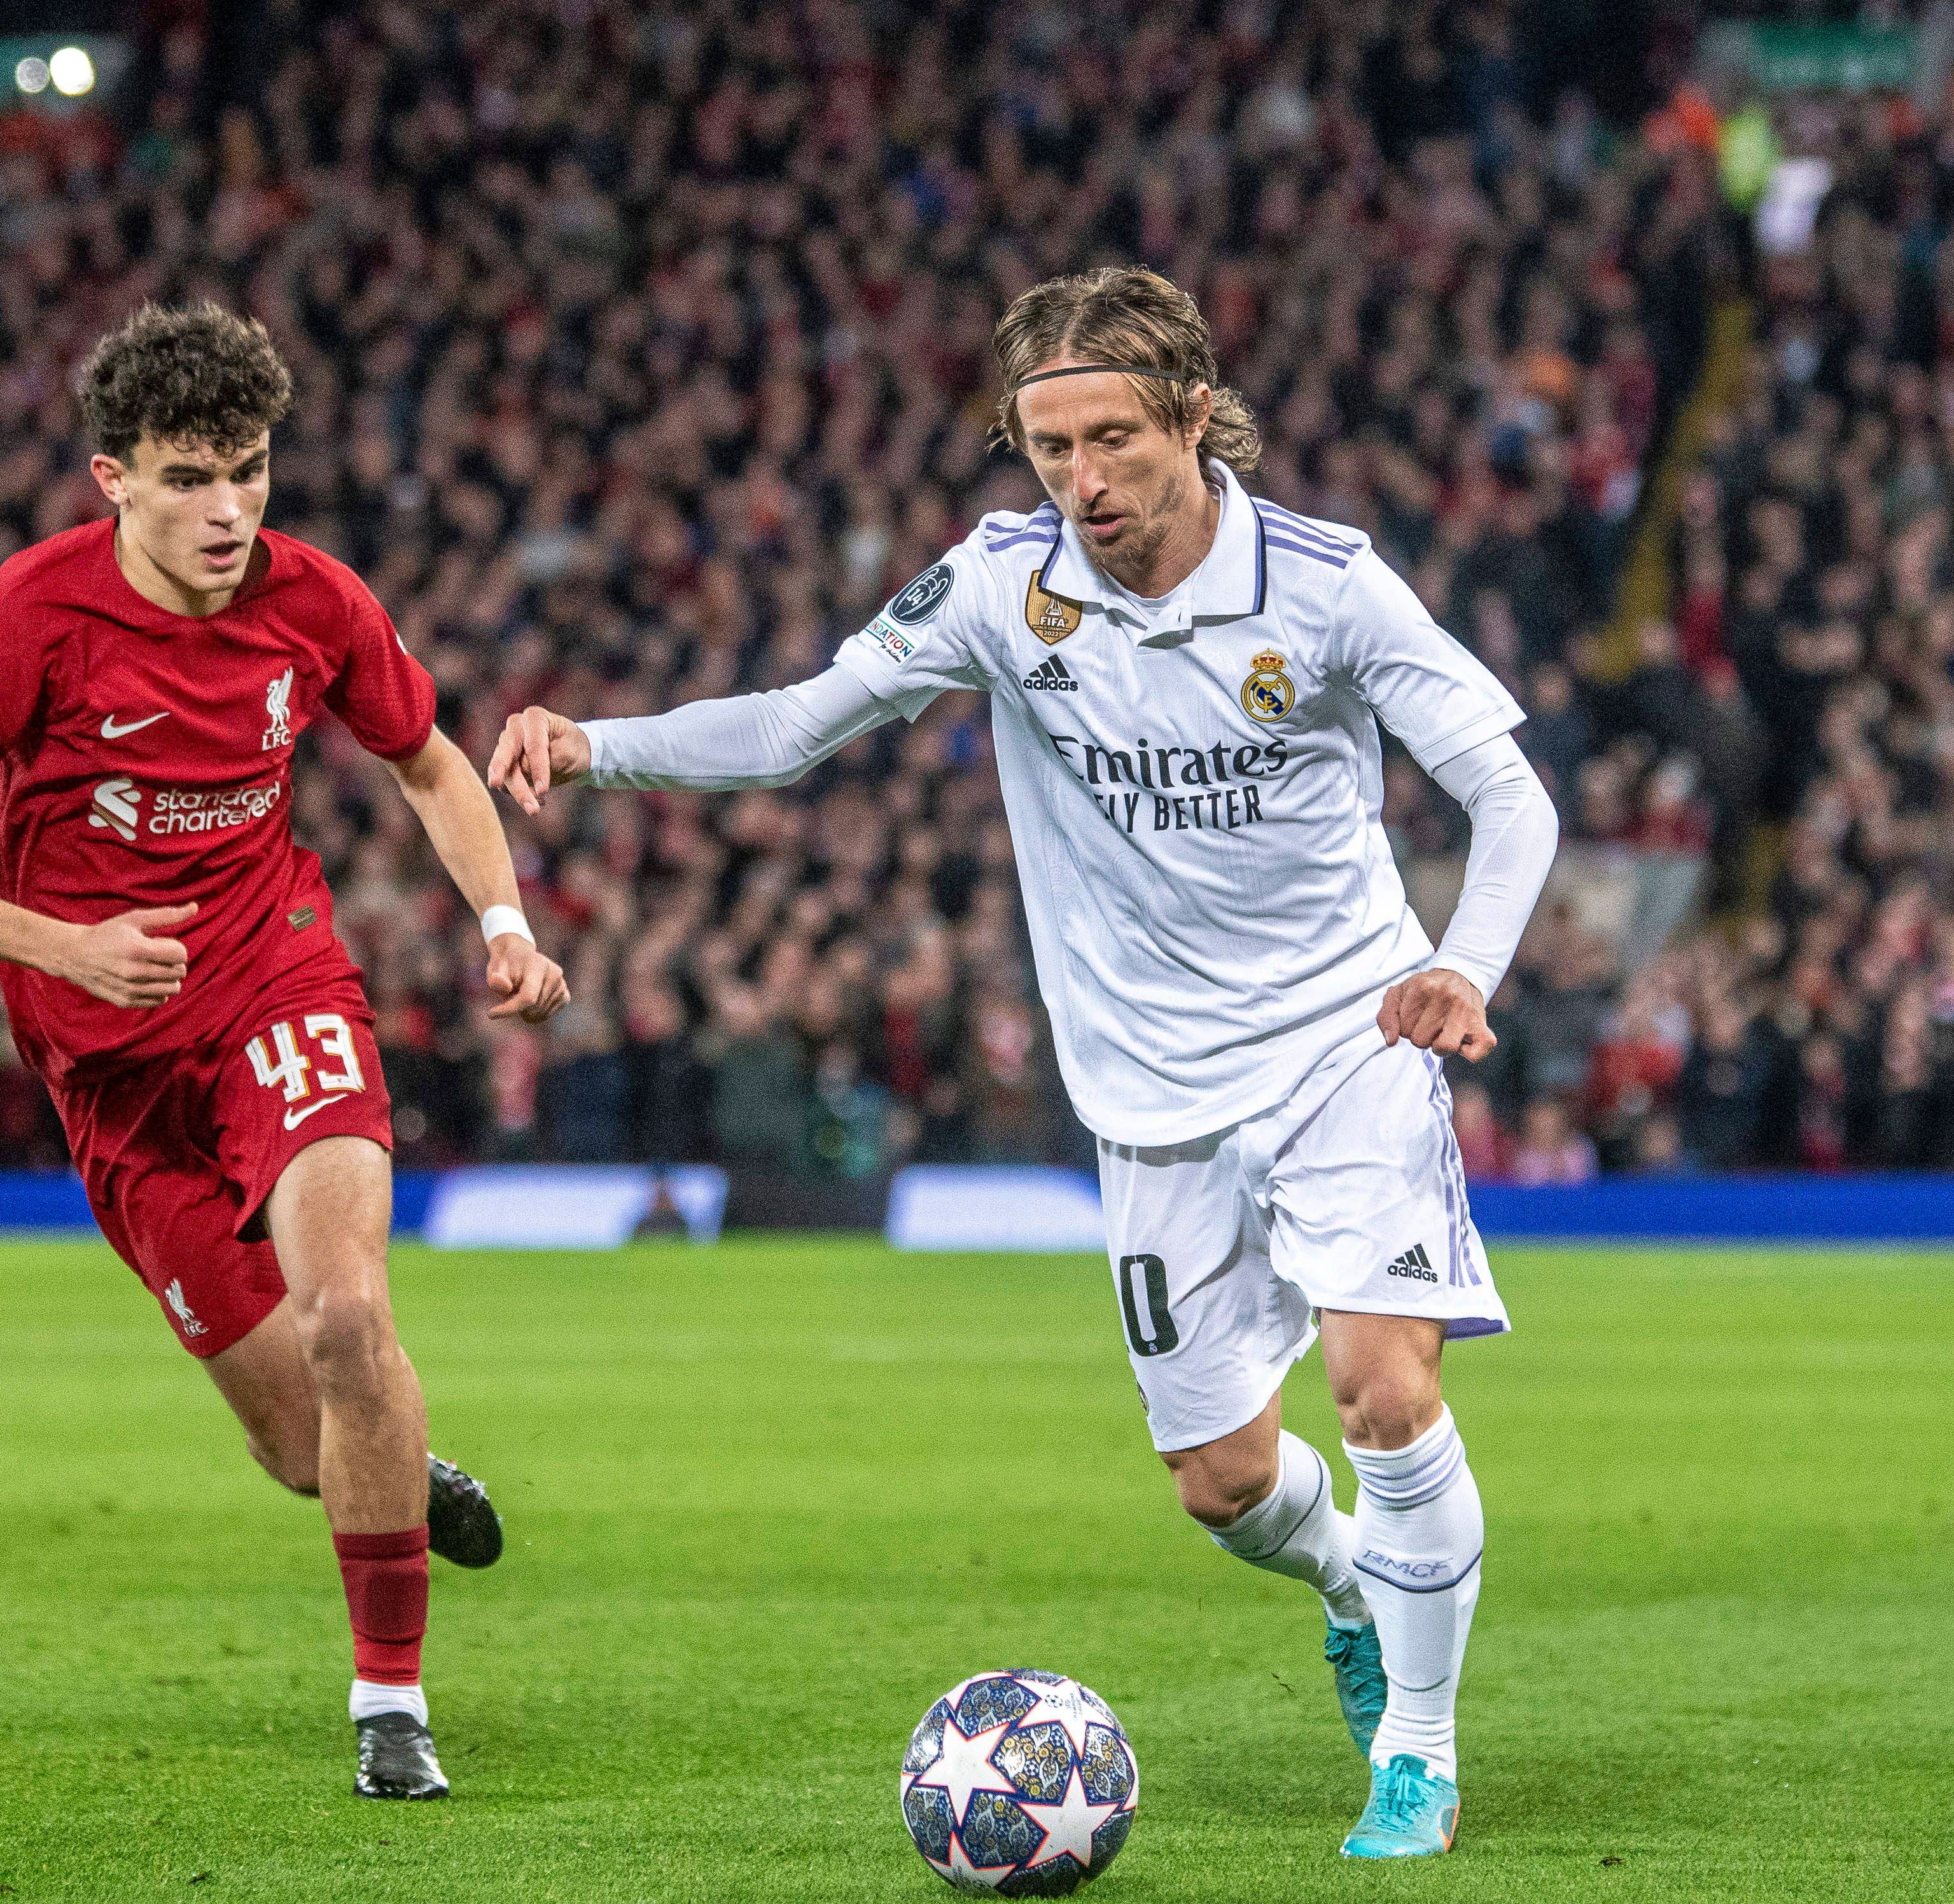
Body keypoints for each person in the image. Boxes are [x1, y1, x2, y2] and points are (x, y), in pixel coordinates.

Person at [488, 267, 1558, 1860]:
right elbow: (796, 727)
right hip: (1149, 1097)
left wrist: (1459, 967)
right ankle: (1349, 1584)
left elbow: (1509, 794)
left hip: (1350, 1039)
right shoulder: (1003, 587)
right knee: (1219, 1481)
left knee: (1381, 1391)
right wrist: (598, 740)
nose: (1083, 482)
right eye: (1047, 447)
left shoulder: (1327, 586)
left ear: (1193, 414)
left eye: (1114, 439)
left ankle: (1419, 1748)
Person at [0, 302, 568, 1800]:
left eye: (247, 470)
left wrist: (501, 919)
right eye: (187, 477)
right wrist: (64, 948)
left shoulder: (314, 601)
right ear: (111, 478)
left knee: (352, 1318)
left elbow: (428, 759)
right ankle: (394, 1471)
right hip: (105, 1067)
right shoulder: (26, 622)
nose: (227, 509)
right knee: (307, 1451)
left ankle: (389, 1707)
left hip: (269, 990)